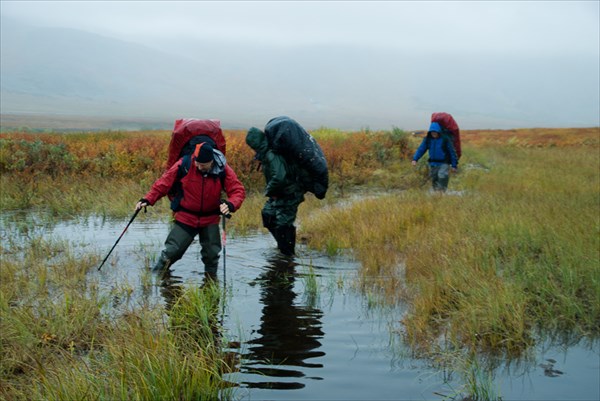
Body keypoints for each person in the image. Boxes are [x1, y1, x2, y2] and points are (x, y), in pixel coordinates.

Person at [135, 142, 245, 279]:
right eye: (197, 163)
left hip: (210, 219)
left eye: (203, 165)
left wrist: (230, 204)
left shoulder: (223, 169)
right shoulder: (185, 164)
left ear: (211, 161)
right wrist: (147, 199)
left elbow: (238, 191)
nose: (198, 167)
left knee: (211, 256)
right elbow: (164, 183)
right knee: (172, 252)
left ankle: (210, 285)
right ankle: (153, 279)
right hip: (186, 217)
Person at [245, 127, 306, 256]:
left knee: (284, 224)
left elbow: (279, 177)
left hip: (290, 193)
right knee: (268, 215)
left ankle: (288, 256)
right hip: (279, 194)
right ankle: (282, 247)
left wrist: (268, 190)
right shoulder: (265, 152)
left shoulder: (271, 154)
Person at [411, 122, 458, 192]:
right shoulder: (428, 139)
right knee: (434, 179)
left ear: (438, 131)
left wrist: (454, 165)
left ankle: (442, 194)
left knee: (442, 176)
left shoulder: (445, 139)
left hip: (444, 163)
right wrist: (415, 159)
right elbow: (421, 149)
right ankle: (436, 196)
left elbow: (452, 152)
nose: (434, 134)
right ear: (430, 132)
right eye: (432, 132)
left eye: (435, 132)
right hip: (433, 163)